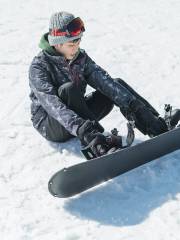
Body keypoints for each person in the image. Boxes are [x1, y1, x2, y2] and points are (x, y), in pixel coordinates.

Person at [28, 11, 180, 157]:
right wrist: (88, 132)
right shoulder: (39, 67)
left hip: (78, 116)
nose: (76, 48)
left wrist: (138, 109)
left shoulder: (80, 58)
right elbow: (53, 105)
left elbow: (104, 81)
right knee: (68, 89)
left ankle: (154, 125)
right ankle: (97, 142)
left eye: (79, 42)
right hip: (51, 125)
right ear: (57, 43)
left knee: (115, 84)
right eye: (71, 44)